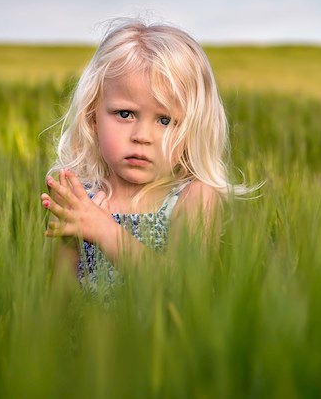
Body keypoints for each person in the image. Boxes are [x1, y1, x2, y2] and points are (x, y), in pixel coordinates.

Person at [40, 18, 252, 285]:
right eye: (125, 114)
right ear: (93, 118)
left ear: (193, 129)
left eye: (165, 120)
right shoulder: (85, 198)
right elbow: (56, 297)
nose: (141, 136)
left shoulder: (194, 197)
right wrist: (74, 233)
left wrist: (104, 230)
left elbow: (184, 287)